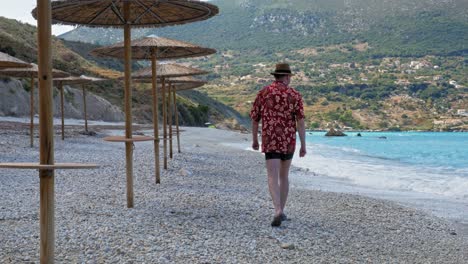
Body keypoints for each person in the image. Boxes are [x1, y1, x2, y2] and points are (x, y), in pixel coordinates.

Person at [250, 63, 307, 227]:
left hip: (270, 139)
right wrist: (303, 145)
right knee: (284, 175)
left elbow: (255, 119)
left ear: (275, 76)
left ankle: (277, 210)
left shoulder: (264, 93)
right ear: (287, 77)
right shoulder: (294, 94)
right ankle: (281, 209)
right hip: (288, 140)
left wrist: (255, 139)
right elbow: (300, 122)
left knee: (272, 175)